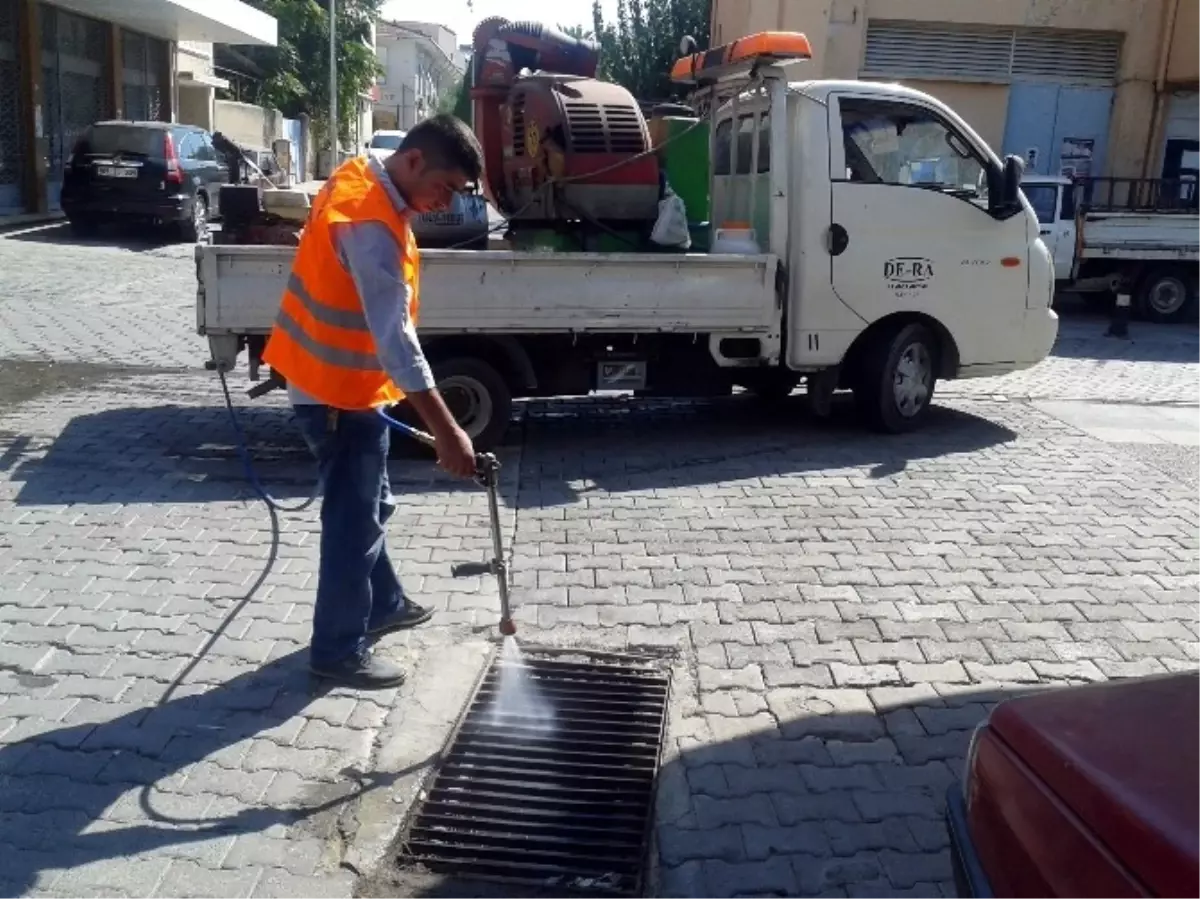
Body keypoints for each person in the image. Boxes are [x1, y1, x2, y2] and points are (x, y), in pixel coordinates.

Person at [262, 115, 483, 689]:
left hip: (343, 387)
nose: (445, 203)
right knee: (353, 523)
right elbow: (396, 341)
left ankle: (384, 602)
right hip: (335, 396)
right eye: (446, 187)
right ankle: (337, 649)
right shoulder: (369, 224)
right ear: (412, 162)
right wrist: (450, 431)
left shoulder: (367, 180)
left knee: (371, 506)